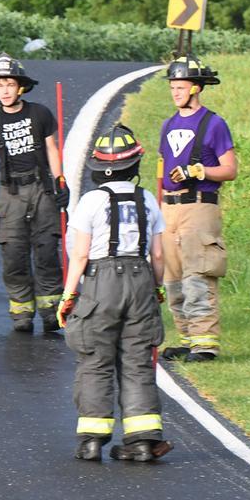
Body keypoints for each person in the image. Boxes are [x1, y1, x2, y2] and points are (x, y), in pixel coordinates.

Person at [58, 124, 172, 462]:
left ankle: (92, 440)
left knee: (95, 359)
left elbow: (78, 255)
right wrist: (157, 288)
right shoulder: (148, 199)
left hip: (100, 282)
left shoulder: (91, 202)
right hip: (140, 280)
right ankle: (141, 441)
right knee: (137, 362)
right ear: (134, 165)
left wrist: (68, 297)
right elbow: (159, 255)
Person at [0, 53, 69, 333]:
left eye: (10, 84)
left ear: (21, 87)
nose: (4, 90)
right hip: (10, 193)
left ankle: (51, 310)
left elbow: (52, 148)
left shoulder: (39, 113)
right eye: (0, 85)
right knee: (13, 252)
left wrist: (60, 181)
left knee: (46, 250)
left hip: (41, 190)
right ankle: (22, 311)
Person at [158, 56, 236, 363]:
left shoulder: (214, 124)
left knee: (198, 275)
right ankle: (187, 339)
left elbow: (230, 169)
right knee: (173, 279)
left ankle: (205, 345)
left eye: (181, 86)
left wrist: (199, 171)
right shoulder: (168, 124)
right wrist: (157, 204)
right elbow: (162, 167)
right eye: (173, 87)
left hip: (199, 207)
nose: (175, 92)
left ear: (196, 87)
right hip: (170, 208)